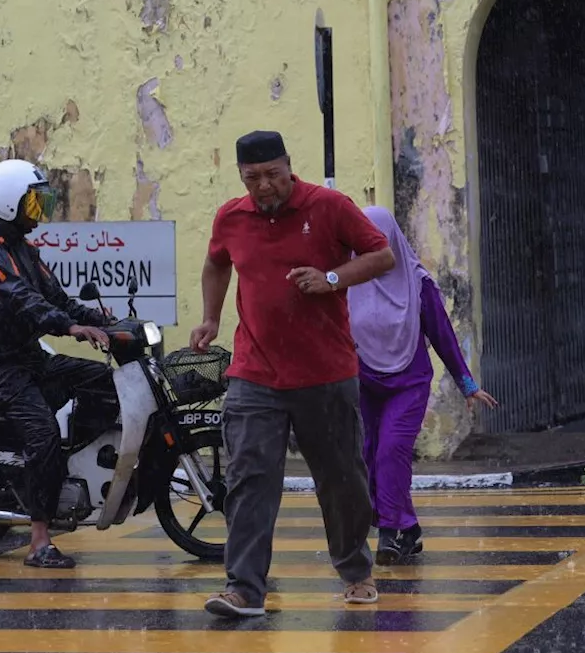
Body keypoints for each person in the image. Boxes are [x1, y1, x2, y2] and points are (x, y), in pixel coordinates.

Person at [189, 130, 396, 618]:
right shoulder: (231, 217)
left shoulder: (328, 206)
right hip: (254, 372)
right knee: (249, 481)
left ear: (289, 166)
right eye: (252, 178)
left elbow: (381, 255)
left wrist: (331, 279)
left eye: (272, 175)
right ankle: (243, 589)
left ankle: (356, 571)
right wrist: (211, 317)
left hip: (326, 372)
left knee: (341, 479)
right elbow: (217, 264)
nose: (263, 187)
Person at [0, 158, 115, 569]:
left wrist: (106, 321)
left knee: (102, 379)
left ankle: (63, 470)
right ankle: (39, 540)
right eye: (33, 203)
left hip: (27, 359)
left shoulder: (27, 250)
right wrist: (71, 328)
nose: (40, 210)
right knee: (43, 435)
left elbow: (57, 297)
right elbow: (20, 299)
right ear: (10, 205)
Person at [347, 206, 498, 564]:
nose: (371, 250)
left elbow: (442, 335)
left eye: (377, 242)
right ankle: (409, 526)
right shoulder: (348, 281)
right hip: (365, 381)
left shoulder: (417, 283)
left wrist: (466, 384)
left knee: (391, 451)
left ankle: (389, 533)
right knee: (369, 455)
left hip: (408, 383)